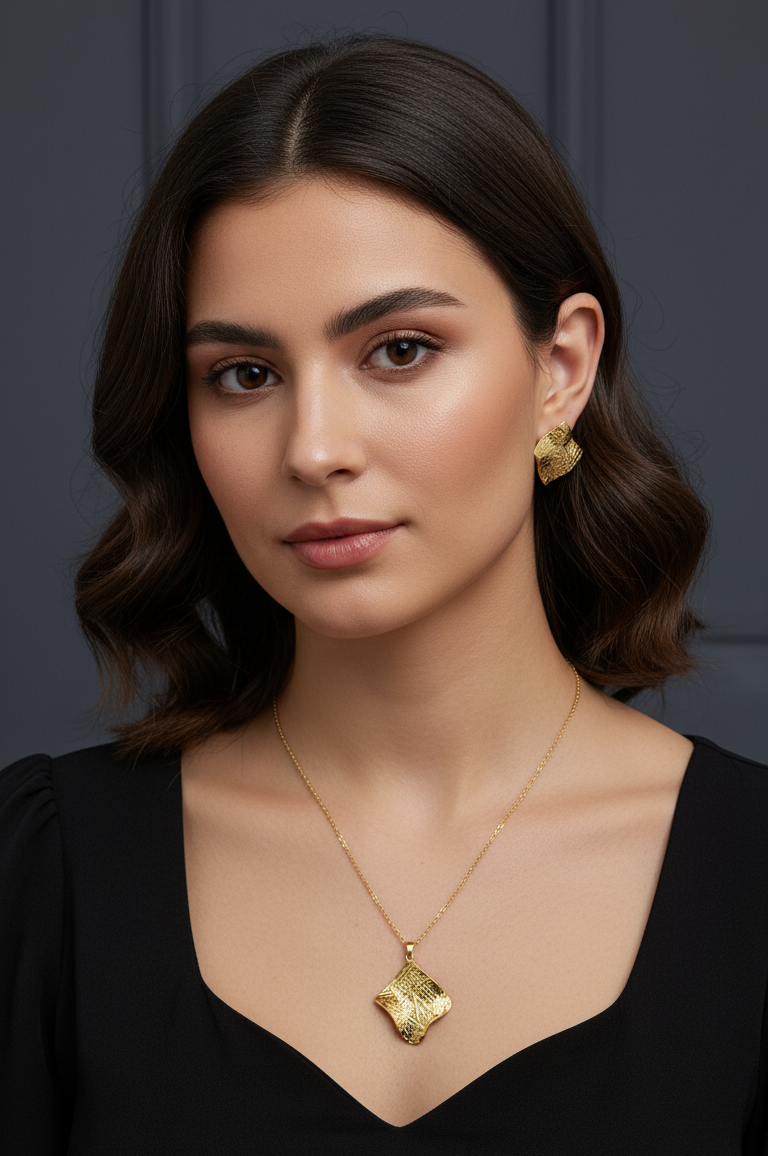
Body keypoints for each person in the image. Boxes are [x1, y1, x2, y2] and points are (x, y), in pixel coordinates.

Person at [1, 34, 766, 1154]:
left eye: (399, 349)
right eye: (244, 375)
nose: (315, 447)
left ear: (562, 370)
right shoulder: (42, 878)